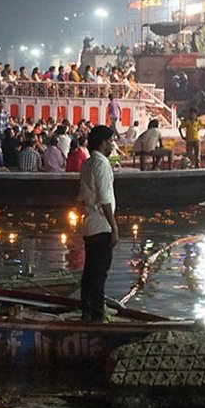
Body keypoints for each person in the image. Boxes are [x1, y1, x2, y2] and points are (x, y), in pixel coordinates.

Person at [77, 125, 118, 321]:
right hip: (101, 225)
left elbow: (82, 197)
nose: (112, 145)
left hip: (89, 224)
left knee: (90, 270)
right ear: (102, 143)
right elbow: (104, 199)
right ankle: (98, 313)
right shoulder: (101, 165)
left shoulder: (87, 163)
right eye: (110, 141)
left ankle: (86, 309)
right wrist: (114, 227)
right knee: (100, 271)